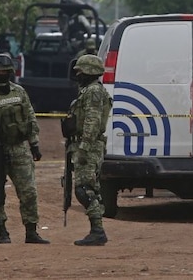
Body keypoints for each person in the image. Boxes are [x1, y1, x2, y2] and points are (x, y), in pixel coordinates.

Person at [0, 53, 49, 244]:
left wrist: (34, 144)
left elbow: (30, 118)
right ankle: (1, 232)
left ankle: (31, 231)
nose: (1, 74)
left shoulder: (19, 92)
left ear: (11, 72)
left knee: (29, 191)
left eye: (5, 71)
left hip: (19, 148)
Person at [66, 54, 113, 246]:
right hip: (86, 144)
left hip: (89, 146)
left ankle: (97, 230)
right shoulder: (89, 90)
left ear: (89, 71)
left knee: (85, 189)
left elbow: (92, 121)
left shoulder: (93, 92)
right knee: (89, 188)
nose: (77, 75)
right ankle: (96, 229)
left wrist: (84, 147)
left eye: (80, 72)